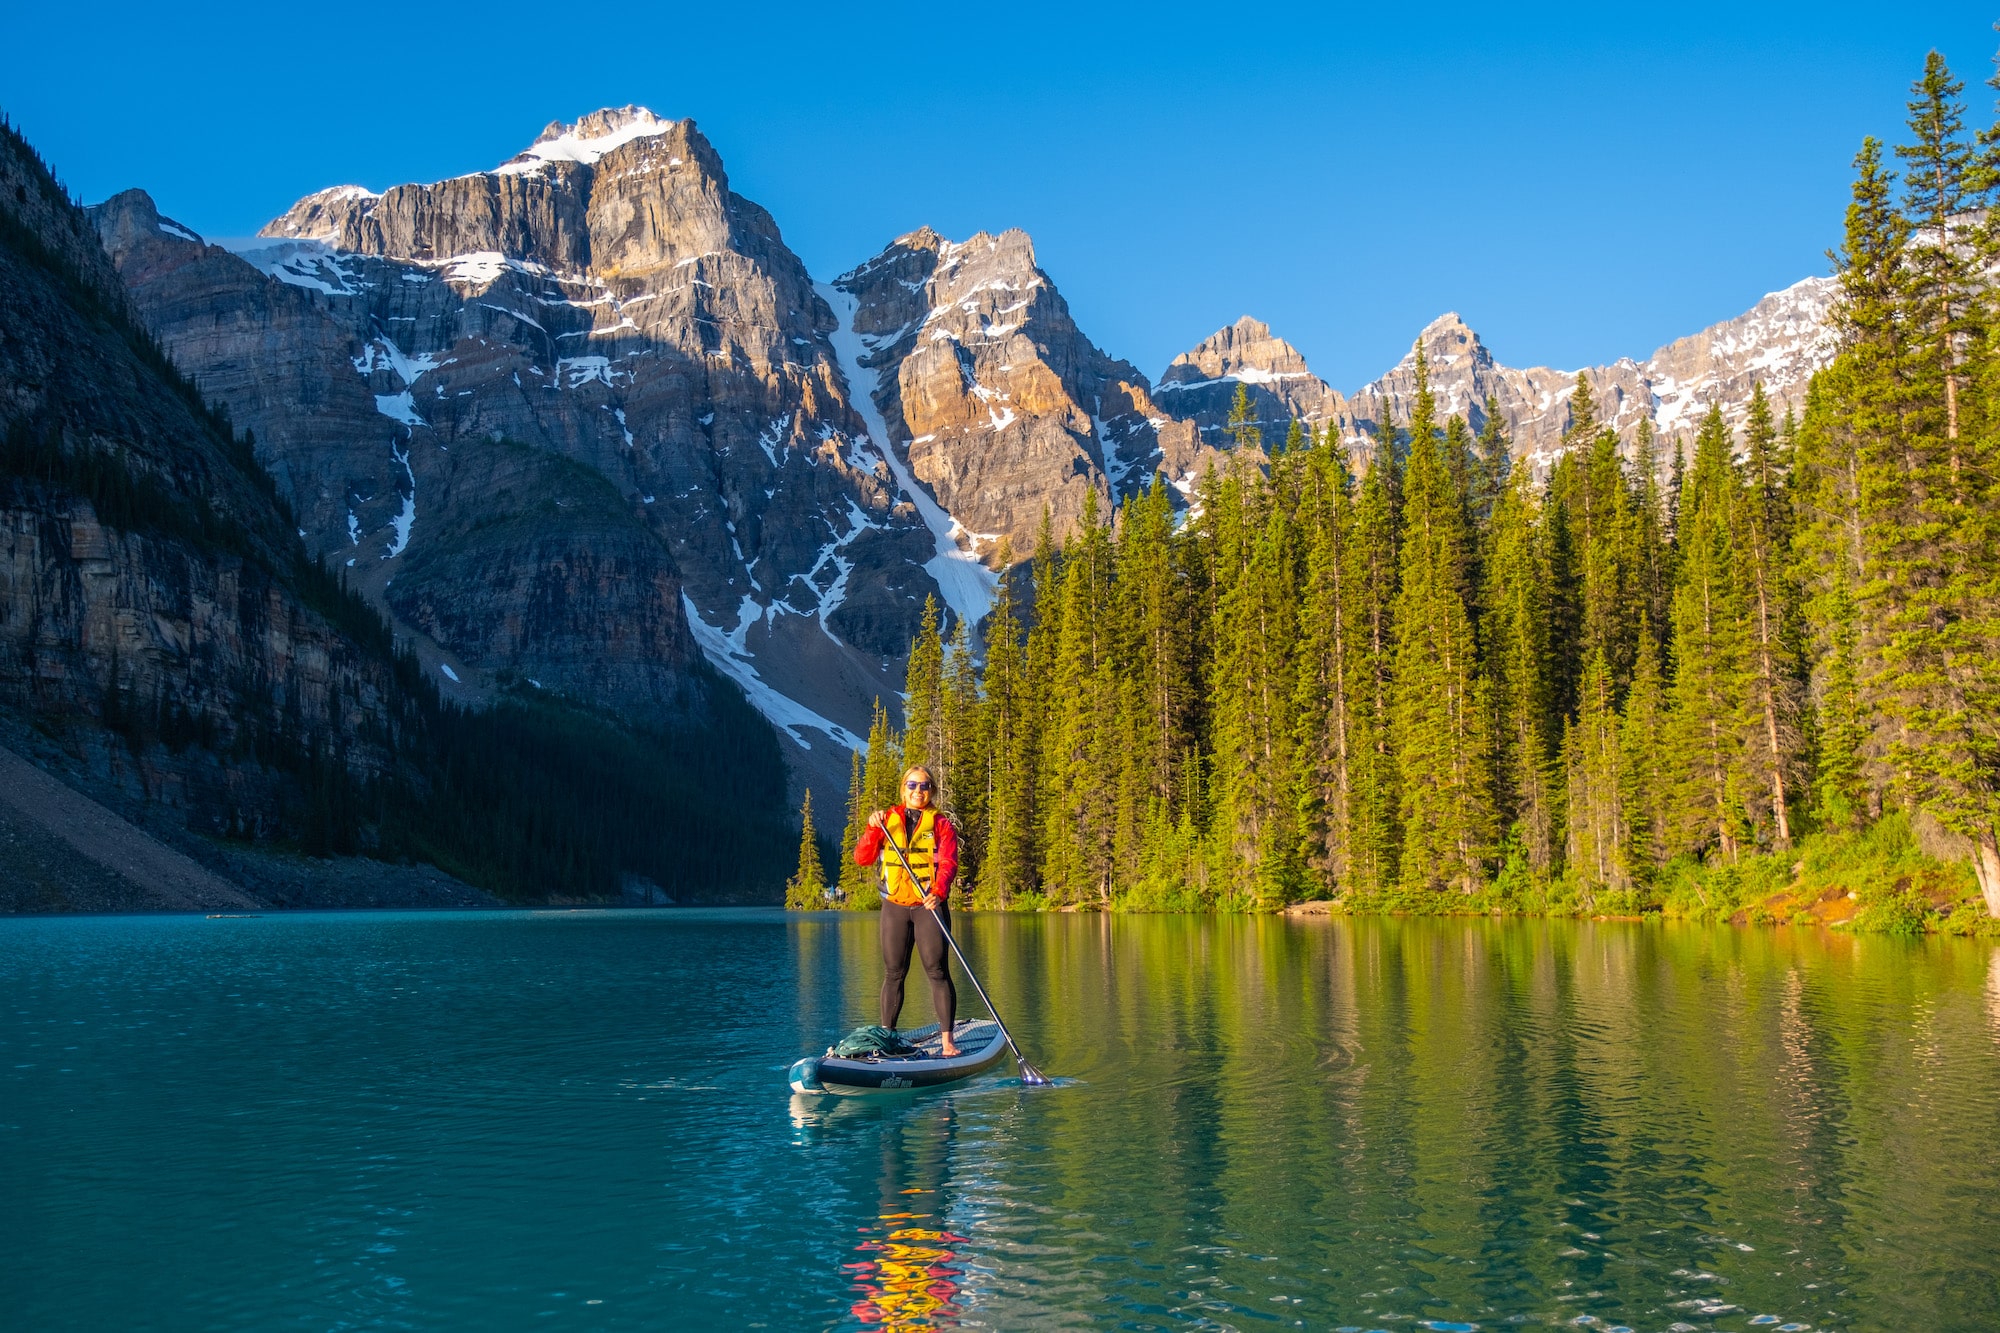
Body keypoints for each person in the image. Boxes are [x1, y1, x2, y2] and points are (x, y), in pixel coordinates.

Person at [853, 765, 961, 1056]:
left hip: (929, 906)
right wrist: (872, 828)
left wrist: (938, 892)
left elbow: (949, 863)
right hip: (895, 908)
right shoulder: (887, 820)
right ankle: (888, 1036)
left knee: (937, 972)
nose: (918, 791)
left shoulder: (941, 825)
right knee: (893, 973)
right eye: (912, 785)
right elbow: (862, 858)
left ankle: (947, 1041)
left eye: (924, 786)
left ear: (932, 791)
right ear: (903, 789)